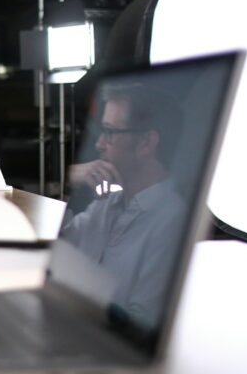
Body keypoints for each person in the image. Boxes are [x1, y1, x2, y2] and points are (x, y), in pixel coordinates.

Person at [61, 83, 186, 330]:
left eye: (109, 132)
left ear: (146, 144)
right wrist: (67, 178)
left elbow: (139, 324)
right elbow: (52, 248)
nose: (99, 144)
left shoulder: (172, 220)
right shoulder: (107, 203)